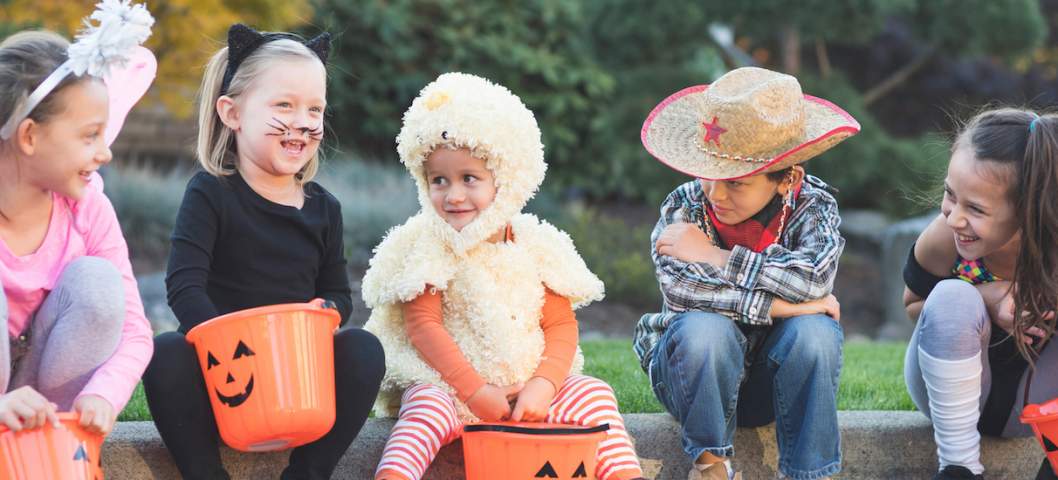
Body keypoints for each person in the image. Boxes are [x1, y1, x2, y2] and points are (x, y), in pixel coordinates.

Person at [364, 72, 645, 480]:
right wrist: (475, 391)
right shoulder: (429, 245)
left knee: (594, 393)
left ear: (506, 180)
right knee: (423, 406)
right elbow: (423, 326)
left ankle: (624, 476)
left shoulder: (535, 245)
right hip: (454, 389)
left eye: (469, 179)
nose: (453, 195)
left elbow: (561, 325)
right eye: (438, 180)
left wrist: (545, 386)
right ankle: (393, 475)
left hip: (533, 392)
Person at [141, 24, 385, 480]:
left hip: (298, 379)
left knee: (363, 349)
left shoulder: (324, 208)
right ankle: (205, 473)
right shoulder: (211, 193)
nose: (303, 122)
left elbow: (337, 293)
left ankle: (309, 472)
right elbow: (184, 285)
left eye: (315, 108)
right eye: (284, 106)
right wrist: (230, 346)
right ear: (232, 113)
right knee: (166, 352)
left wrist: (326, 310)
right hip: (226, 379)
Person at [634, 66, 859, 480]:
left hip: (773, 384)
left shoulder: (813, 205)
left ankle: (809, 474)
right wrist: (784, 307)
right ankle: (711, 469)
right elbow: (683, 292)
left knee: (816, 335)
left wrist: (719, 259)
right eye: (709, 174)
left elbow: (814, 279)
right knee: (704, 330)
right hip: (693, 380)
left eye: (736, 183)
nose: (716, 193)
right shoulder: (684, 206)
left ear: (787, 179)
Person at [0, 0, 155, 437]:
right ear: (29, 136)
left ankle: (54, 438)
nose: (104, 153)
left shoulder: (87, 207)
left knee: (97, 282)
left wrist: (104, 392)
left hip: (46, 410)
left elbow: (134, 330)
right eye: (90, 136)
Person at [903, 107, 1058, 480]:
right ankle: (958, 468)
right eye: (949, 194)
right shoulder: (945, 237)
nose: (954, 217)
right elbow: (913, 307)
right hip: (951, 393)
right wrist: (988, 297)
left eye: (974, 208)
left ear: (1027, 211)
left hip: (1039, 398)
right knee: (952, 295)